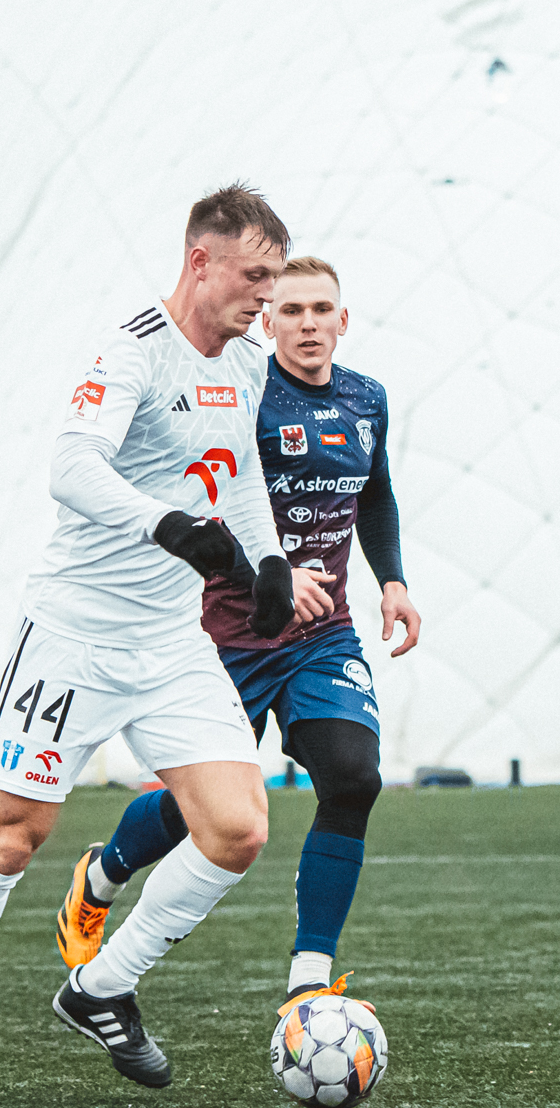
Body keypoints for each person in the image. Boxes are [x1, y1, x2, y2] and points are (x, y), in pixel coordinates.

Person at [0, 183, 298, 1108]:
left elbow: (237, 476)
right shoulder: (133, 351)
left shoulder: (246, 363)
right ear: (201, 261)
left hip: (170, 643)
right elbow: (71, 468)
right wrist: (168, 527)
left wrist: (268, 559)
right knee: (13, 835)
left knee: (238, 828)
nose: (266, 297)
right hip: (73, 636)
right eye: (254, 276)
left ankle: (101, 986)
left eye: (274, 278)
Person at [54, 255, 422, 1013]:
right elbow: (202, 494)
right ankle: (103, 874)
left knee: (353, 779)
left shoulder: (367, 398)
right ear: (268, 321)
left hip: (323, 638)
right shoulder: (241, 392)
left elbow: (375, 493)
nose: (308, 324)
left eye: (321, 309)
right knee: (200, 807)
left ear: (343, 320)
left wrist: (392, 581)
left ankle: (309, 977)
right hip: (230, 634)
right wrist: (273, 574)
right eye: (290, 310)